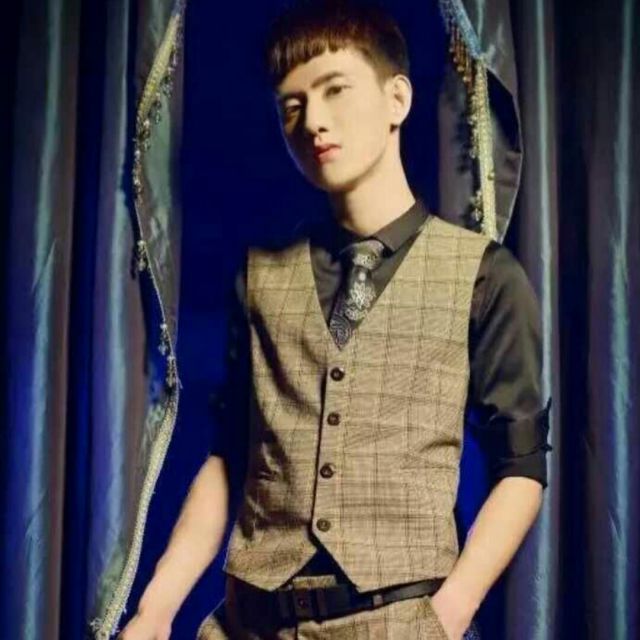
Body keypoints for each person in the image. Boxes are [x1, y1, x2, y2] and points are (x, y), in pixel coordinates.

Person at [119, 1, 552, 639]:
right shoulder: (259, 276)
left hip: (400, 621)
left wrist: (447, 615)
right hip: (248, 623)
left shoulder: (485, 277)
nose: (314, 121)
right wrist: (155, 609)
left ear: (397, 98)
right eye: (292, 106)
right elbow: (230, 457)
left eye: (335, 90)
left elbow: (521, 469)